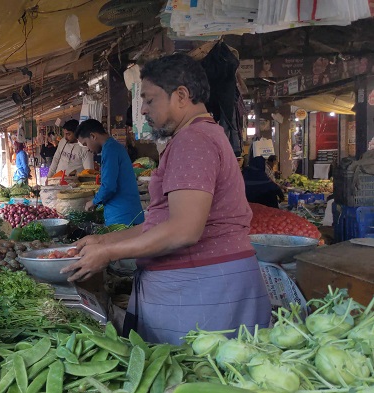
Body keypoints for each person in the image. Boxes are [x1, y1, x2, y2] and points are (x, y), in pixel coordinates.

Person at [61, 54, 270, 345]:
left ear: (181, 95)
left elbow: (184, 229)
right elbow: (164, 222)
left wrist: (109, 254)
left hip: (203, 288)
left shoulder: (193, 141)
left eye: (149, 99)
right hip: (202, 284)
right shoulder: (197, 136)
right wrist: (104, 241)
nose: (143, 109)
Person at [76, 119, 144, 226]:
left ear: (93, 136)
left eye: (86, 144)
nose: (88, 149)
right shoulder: (113, 147)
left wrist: (94, 202)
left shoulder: (110, 150)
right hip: (127, 212)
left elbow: (109, 186)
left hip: (122, 216)